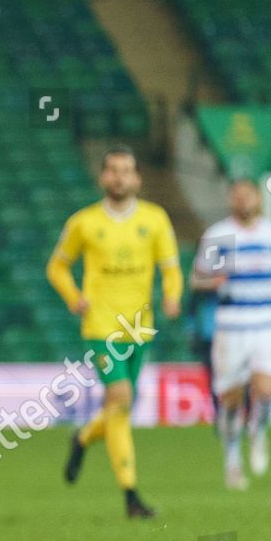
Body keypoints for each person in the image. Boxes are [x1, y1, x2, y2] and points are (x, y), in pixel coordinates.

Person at [50, 147, 182, 517]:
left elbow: (171, 268)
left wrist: (172, 297)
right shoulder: (84, 223)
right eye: (113, 170)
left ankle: (82, 437)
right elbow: (57, 267)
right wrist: (73, 296)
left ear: (137, 178)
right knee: (121, 399)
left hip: (140, 328)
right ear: (103, 177)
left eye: (127, 171)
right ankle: (131, 495)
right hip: (101, 326)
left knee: (118, 409)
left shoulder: (155, 220)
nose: (120, 177)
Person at [191, 178, 271, 490]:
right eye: (236, 196)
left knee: (265, 389)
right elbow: (196, 278)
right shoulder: (218, 235)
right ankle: (232, 462)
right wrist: (209, 283)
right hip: (231, 323)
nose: (242, 201)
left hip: (267, 320)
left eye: (247, 195)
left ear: (258, 198)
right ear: (230, 200)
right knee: (230, 398)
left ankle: (259, 430)